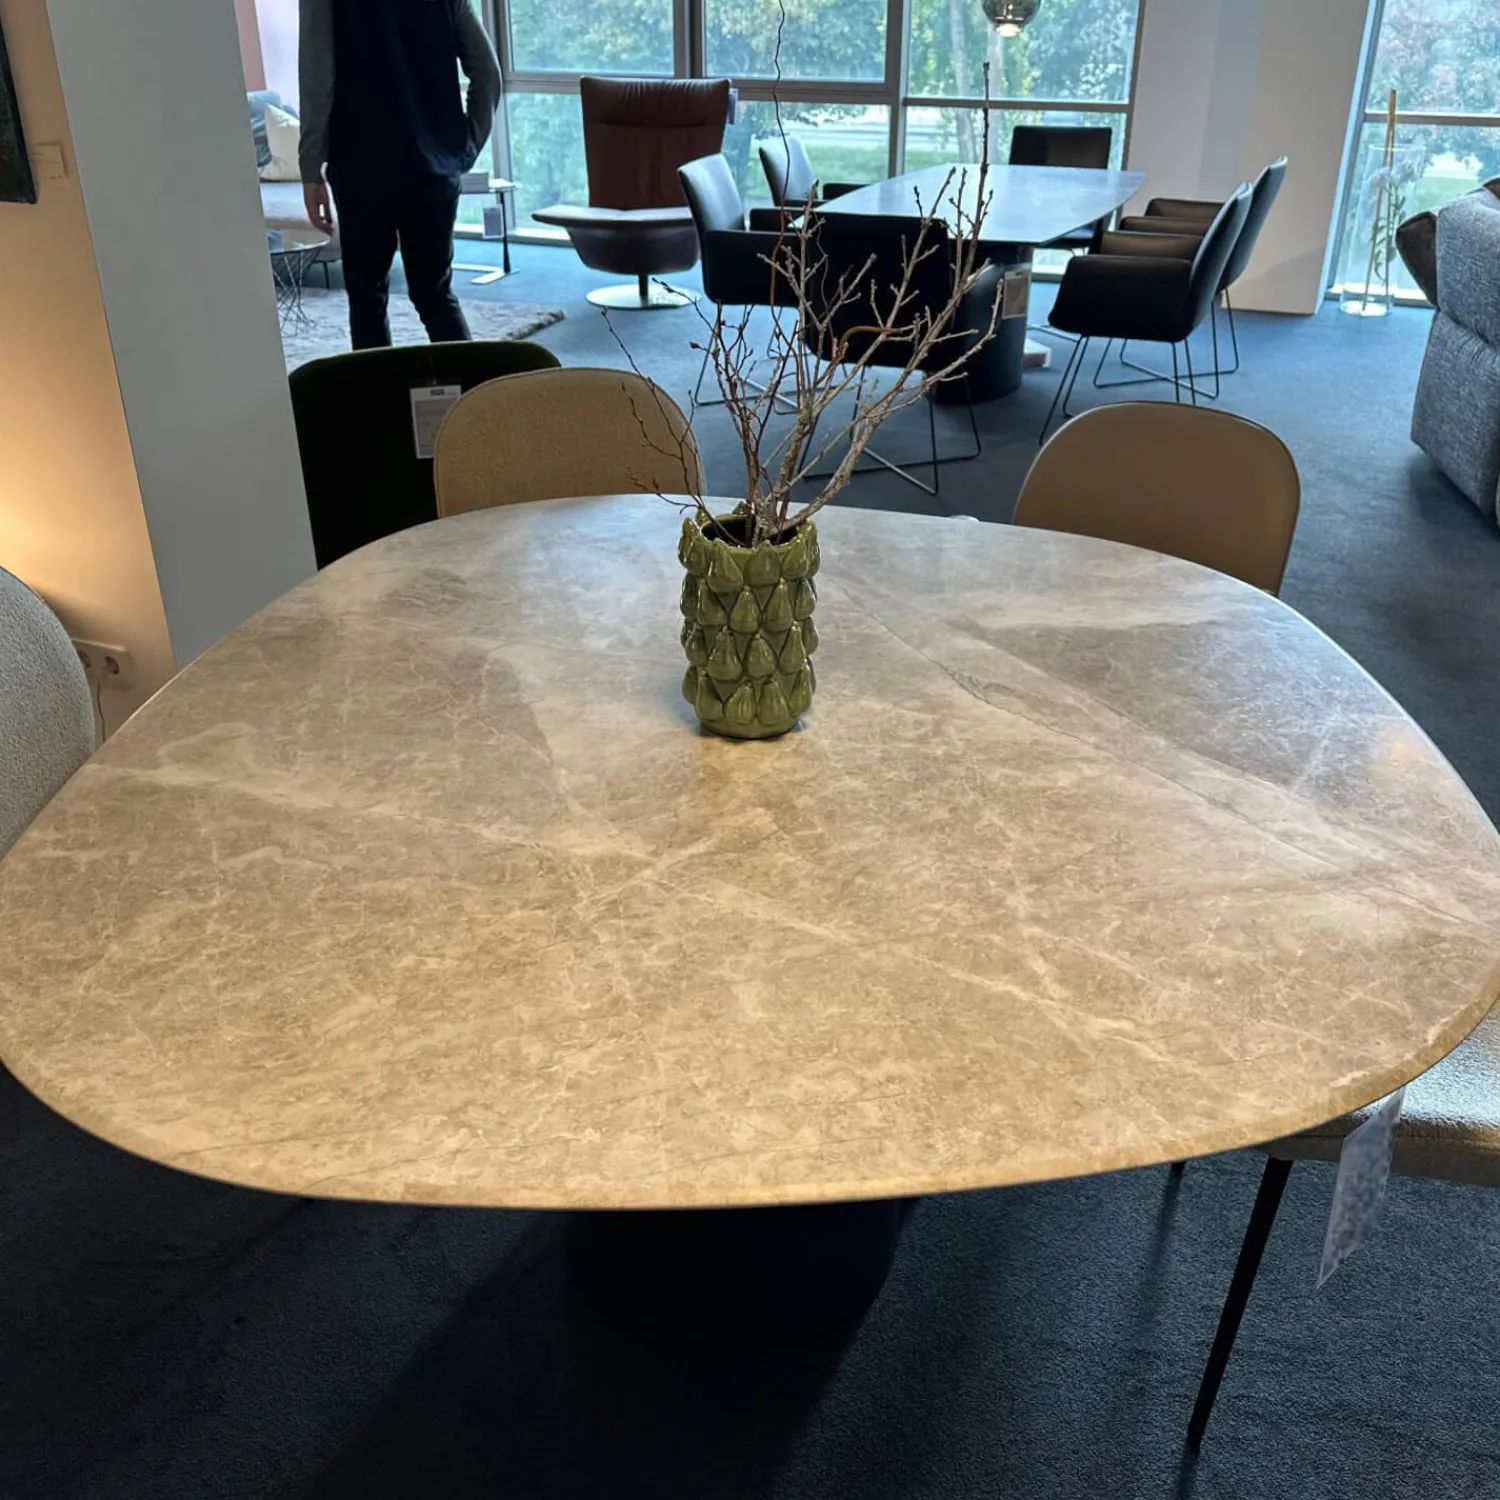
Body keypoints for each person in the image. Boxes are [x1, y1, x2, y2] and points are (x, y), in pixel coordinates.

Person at [298, 0, 501, 350]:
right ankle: (472, 385)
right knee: (434, 293)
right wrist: (466, 145)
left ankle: (382, 389)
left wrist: (310, 166)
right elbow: (487, 72)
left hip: (360, 166)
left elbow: (318, 77)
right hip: (433, 168)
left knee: (367, 298)